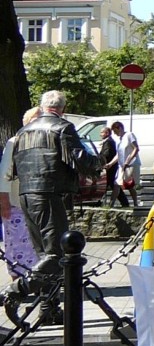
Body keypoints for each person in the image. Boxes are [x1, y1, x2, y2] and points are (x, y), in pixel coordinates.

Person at [3, 90, 102, 323]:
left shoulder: (23, 131)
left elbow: (13, 168)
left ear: (43, 106)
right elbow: (80, 158)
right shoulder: (63, 128)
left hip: (27, 195)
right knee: (57, 254)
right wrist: (99, 165)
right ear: (63, 108)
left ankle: (49, 308)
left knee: (43, 255)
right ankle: (16, 291)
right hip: (48, 195)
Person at [0, 108, 40, 281]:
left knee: (37, 246)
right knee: (17, 245)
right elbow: (4, 173)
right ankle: (17, 283)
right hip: (17, 203)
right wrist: (4, 201)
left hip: (39, 204)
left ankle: (39, 282)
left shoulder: (46, 141)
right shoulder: (14, 142)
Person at [111, 122, 140, 208]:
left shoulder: (129, 135)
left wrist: (128, 161)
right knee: (116, 184)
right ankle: (111, 204)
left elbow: (136, 148)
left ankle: (135, 203)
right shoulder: (120, 140)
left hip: (131, 165)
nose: (115, 134)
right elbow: (118, 155)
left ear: (120, 128)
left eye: (115, 131)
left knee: (129, 185)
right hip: (122, 166)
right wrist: (110, 164)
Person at [99, 125, 128, 208]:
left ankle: (122, 202)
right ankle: (124, 202)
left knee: (110, 184)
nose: (100, 134)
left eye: (102, 132)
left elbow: (107, 154)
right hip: (110, 166)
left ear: (107, 133)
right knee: (112, 184)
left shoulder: (109, 142)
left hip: (110, 167)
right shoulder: (107, 141)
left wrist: (101, 159)